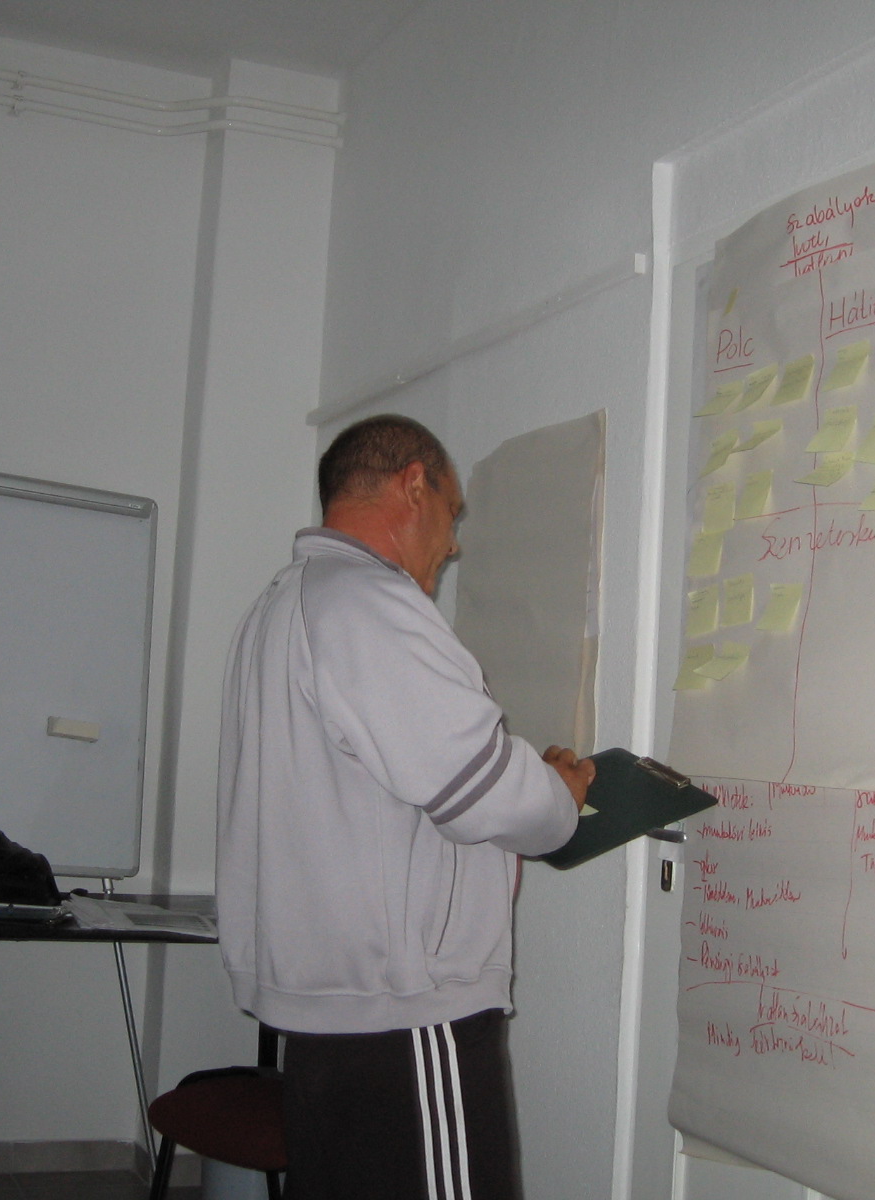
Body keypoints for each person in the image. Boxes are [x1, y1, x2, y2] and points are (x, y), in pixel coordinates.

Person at [217, 414, 595, 1200]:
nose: (452, 545)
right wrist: (558, 794)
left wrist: (519, 772)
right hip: (405, 1020)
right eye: (453, 514)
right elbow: (478, 791)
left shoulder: (280, 606)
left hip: (334, 1022)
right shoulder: (368, 605)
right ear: (413, 486)